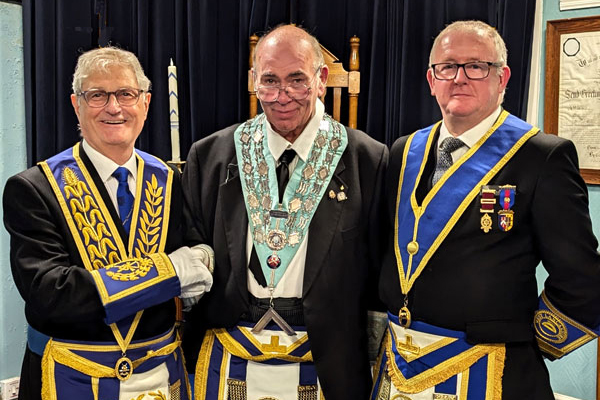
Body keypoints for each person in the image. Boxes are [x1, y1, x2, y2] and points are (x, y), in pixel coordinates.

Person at [372, 20, 600, 400]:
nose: (459, 78)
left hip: (492, 369)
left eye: (476, 66)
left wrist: (528, 343)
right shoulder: (402, 151)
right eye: (447, 67)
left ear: (503, 77)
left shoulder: (542, 157)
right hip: (399, 369)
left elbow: (582, 279)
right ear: (432, 80)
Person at [182, 24, 388, 400]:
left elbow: (378, 269)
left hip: (329, 360)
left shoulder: (368, 160)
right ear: (253, 81)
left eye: (297, 80)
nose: (282, 96)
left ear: (321, 78)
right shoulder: (210, 156)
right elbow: (194, 248)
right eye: (269, 82)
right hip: (228, 353)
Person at [3, 47, 214, 400]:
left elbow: (194, 250)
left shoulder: (169, 179)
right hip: (70, 371)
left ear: (145, 103)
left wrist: (204, 259)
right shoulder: (34, 188)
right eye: (97, 95)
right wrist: (167, 272)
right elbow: (50, 293)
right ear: (77, 105)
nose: (113, 107)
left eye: (125, 94)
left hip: (158, 374)